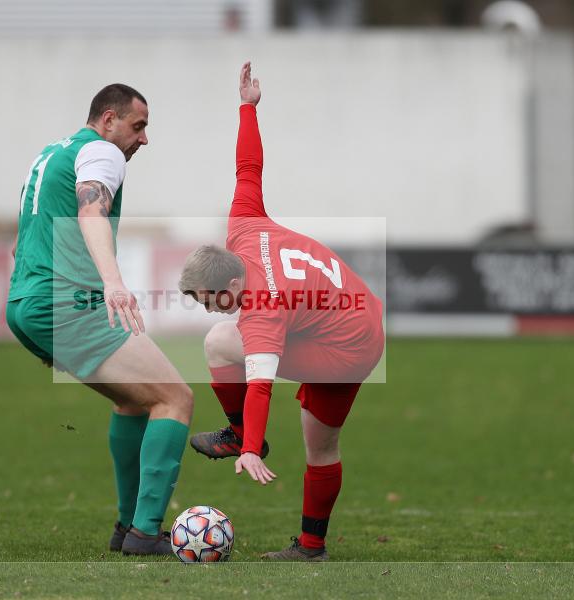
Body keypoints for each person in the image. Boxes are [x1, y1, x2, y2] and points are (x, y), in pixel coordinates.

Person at [179, 63, 385, 561]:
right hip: (358, 319)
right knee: (321, 447)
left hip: (345, 348)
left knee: (219, 344)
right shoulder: (244, 228)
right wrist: (248, 108)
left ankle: (237, 438)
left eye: (212, 301)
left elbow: (261, 384)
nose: (213, 310)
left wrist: (251, 446)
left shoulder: (262, 310)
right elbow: (248, 168)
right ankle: (312, 546)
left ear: (231, 282)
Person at [6, 84, 192, 556]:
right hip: (63, 302)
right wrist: (112, 282)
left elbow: (25, 234)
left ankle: (128, 527)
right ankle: (147, 534)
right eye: (139, 125)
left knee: (135, 401)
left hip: (27, 302)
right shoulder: (102, 152)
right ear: (108, 120)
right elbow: (92, 210)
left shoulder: (51, 154)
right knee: (175, 398)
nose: (143, 139)